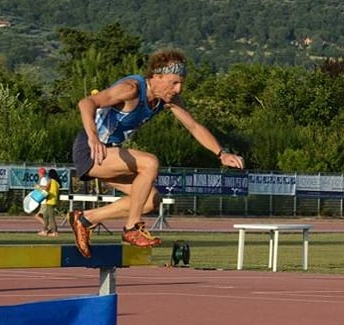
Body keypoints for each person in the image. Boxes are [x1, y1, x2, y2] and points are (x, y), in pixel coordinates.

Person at [69, 49, 244, 257]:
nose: (178, 89)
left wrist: (221, 153)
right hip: (91, 150)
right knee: (150, 162)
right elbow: (86, 103)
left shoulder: (166, 99)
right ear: (157, 77)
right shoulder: (131, 89)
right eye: (174, 83)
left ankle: (86, 218)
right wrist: (93, 137)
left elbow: (194, 127)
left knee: (151, 200)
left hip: (112, 155)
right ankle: (132, 227)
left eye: (181, 83)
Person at [38, 168, 60, 237]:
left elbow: (46, 188)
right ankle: (45, 230)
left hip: (50, 201)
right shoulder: (57, 183)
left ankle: (55, 232)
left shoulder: (51, 181)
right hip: (53, 201)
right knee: (45, 216)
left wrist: (38, 186)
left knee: (51, 217)